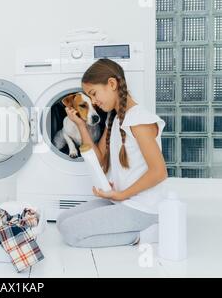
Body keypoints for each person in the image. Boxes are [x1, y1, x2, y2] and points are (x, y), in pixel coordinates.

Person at [56, 58, 168, 248]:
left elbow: (159, 172)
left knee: (70, 232)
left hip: (142, 207)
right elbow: (99, 159)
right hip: (121, 200)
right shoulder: (114, 120)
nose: (93, 101)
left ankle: (143, 235)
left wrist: (122, 194)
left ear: (112, 84)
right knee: (61, 221)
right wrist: (81, 125)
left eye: (93, 93)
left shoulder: (140, 120)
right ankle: (129, 227)